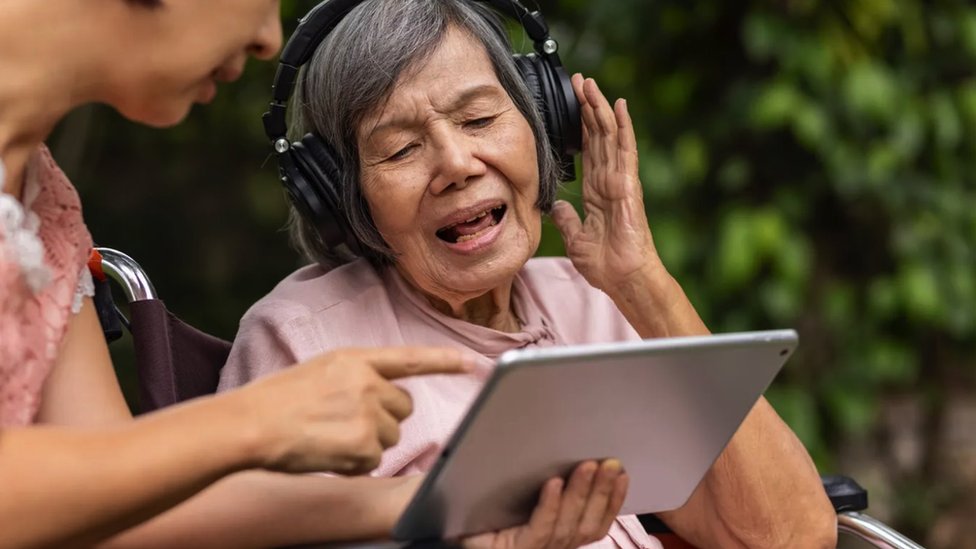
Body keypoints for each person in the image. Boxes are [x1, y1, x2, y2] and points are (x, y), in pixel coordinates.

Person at [0, 1, 625, 548]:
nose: (270, 39)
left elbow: (116, 503)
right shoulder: (299, 332)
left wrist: (446, 507)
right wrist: (256, 423)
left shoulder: (39, 188)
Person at [217, 0, 840, 547]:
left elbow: (788, 535)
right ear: (340, 196)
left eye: (480, 119)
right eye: (402, 149)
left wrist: (643, 284)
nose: (457, 163)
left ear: (541, 127)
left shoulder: (590, 301)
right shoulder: (303, 340)